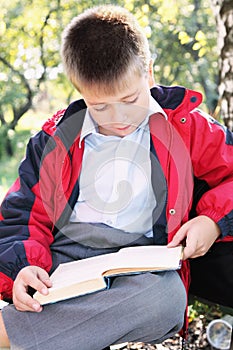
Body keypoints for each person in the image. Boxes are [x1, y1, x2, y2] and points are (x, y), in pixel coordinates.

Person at [0, 4, 232, 350]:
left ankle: (12, 333)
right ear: (79, 90)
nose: (119, 118)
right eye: (100, 106)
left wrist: (212, 221)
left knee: (165, 300)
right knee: (43, 288)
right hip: (64, 258)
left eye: (129, 99)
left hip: (142, 266)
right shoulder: (55, 141)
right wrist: (25, 268)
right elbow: (21, 215)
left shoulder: (186, 127)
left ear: (148, 74)